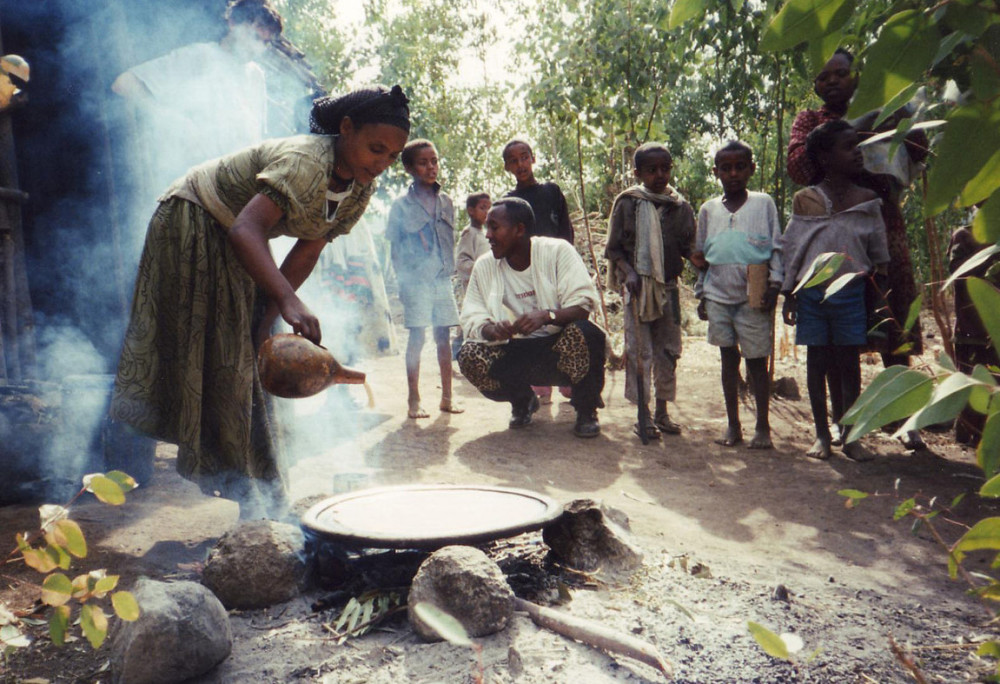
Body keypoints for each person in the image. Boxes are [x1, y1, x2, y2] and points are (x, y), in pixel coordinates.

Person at [111, 86, 411, 518]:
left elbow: (306, 252)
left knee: (247, 356)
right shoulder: (306, 162)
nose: (381, 164)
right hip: (192, 217)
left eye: (390, 157)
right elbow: (244, 230)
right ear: (345, 129)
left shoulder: (359, 192)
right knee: (224, 360)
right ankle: (246, 492)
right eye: (375, 149)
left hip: (234, 235)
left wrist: (268, 316)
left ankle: (257, 491)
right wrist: (287, 300)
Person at [787, 47, 928, 450]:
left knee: (891, 314)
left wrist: (900, 114)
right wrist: (858, 127)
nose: (830, 81)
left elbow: (918, 149)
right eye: (822, 77)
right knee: (835, 334)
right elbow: (799, 165)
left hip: (883, 223)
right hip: (832, 232)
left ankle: (901, 417)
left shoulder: (889, 105)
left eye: (840, 73)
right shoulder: (810, 121)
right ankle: (840, 421)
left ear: (858, 76)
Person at [781, 120, 889, 462]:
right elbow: (793, 248)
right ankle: (822, 435)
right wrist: (788, 292)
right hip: (812, 293)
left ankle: (850, 433)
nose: (857, 152)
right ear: (825, 158)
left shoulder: (868, 201)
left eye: (857, 145)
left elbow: (879, 256)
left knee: (849, 364)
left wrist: (879, 300)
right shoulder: (806, 200)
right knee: (817, 361)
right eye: (847, 146)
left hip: (852, 294)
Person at [457, 198, 605, 438]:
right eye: (487, 228)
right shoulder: (485, 265)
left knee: (588, 333)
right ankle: (522, 401)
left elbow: (583, 305)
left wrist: (548, 316)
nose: (488, 235)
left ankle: (587, 409)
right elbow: (471, 314)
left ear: (520, 230)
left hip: (556, 346)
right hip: (513, 350)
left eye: (495, 227)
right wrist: (489, 329)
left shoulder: (557, 251)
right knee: (469, 354)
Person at [112, 0, 283, 188]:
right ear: (233, 22)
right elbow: (124, 83)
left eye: (265, 43)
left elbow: (255, 139)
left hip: (232, 192)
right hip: (188, 185)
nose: (257, 48)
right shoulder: (201, 56)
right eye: (254, 37)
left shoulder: (256, 77)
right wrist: (172, 119)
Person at [694, 141, 783, 449]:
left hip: (753, 294)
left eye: (740, 167)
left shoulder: (763, 204)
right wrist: (701, 293)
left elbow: (776, 247)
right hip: (718, 294)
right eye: (726, 168)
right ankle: (733, 425)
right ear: (715, 172)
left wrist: (775, 284)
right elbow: (701, 256)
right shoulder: (708, 209)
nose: (733, 174)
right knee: (727, 359)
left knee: (757, 361)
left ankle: (762, 426)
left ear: (751, 169)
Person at [605, 142, 697, 440]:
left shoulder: (680, 208)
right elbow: (614, 248)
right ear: (638, 173)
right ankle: (642, 416)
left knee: (667, 352)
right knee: (639, 351)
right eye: (652, 170)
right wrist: (629, 272)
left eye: (665, 168)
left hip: (668, 289)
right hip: (637, 289)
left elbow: (690, 249)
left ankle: (661, 412)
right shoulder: (628, 203)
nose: (660, 175)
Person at [386, 139, 463, 419]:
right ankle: (414, 400)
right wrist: (402, 285)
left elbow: (448, 243)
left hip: (442, 279)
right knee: (417, 337)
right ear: (409, 168)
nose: (431, 167)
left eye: (434, 161)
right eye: (423, 162)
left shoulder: (446, 202)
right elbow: (394, 251)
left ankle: (447, 397)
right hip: (415, 281)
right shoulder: (400, 207)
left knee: (443, 336)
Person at [503, 138, 575, 404]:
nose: (521, 164)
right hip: (528, 276)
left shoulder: (551, 192)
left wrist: (567, 266)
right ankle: (541, 384)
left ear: (533, 158)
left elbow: (566, 231)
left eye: (524, 157)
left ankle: (569, 381)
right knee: (534, 327)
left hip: (557, 270)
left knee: (562, 322)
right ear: (507, 167)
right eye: (514, 160)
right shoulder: (509, 202)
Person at [948, 224, 1000, 446]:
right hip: (971, 327)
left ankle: (986, 435)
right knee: (971, 379)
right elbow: (957, 271)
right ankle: (967, 429)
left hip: (994, 328)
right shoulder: (964, 236)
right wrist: (988, 259)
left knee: (993, 381)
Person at [452, 192, 492, 358]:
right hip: (473, 287)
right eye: (483, 208)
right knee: (470, 318)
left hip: (488, 286)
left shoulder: (486, 233)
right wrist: (480, 269)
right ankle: (459, 352)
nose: (487, 212)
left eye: (490, 208)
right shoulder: (469, 234)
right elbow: (462, 263)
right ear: (471, 211)